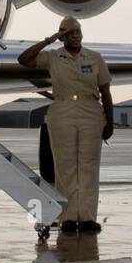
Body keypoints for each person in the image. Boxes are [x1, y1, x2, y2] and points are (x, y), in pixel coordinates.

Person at [18, 16, 114, 233]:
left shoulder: (95, 57)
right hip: (62, 111)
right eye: (70, 33)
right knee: (65, 165)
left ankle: (88, 217)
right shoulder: (53, 57)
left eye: (78, 31)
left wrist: (110, 122)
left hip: (91, 111)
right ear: (62, 36)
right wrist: (49, 40)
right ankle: (68, 218)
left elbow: (106, 91)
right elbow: (23, 59)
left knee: (89, 165)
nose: (76, 36)